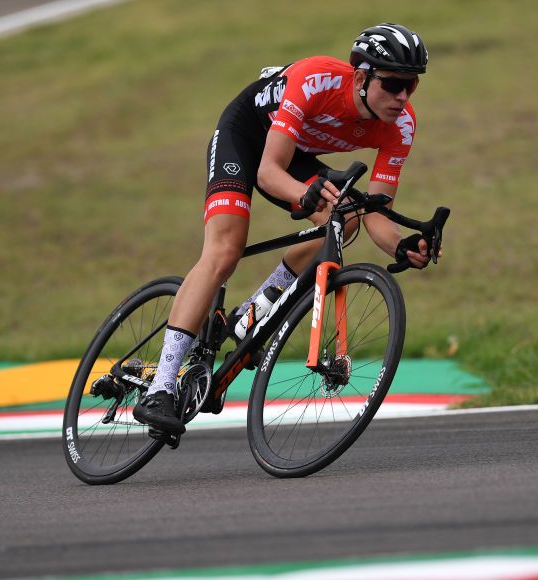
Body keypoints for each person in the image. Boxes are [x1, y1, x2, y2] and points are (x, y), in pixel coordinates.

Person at [134, 22, 439, 434]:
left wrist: (403, 246)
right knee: (225, 250)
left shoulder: (401, 125)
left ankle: (253, 312)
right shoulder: (316, 80)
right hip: (247, 138)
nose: (402, 97)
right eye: (393, 84)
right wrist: (306, 195)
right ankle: (161, 387)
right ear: (362, 77)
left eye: (411, 86)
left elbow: (376, 213)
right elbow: (267, 173)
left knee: (346, 215)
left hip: (295, 152)